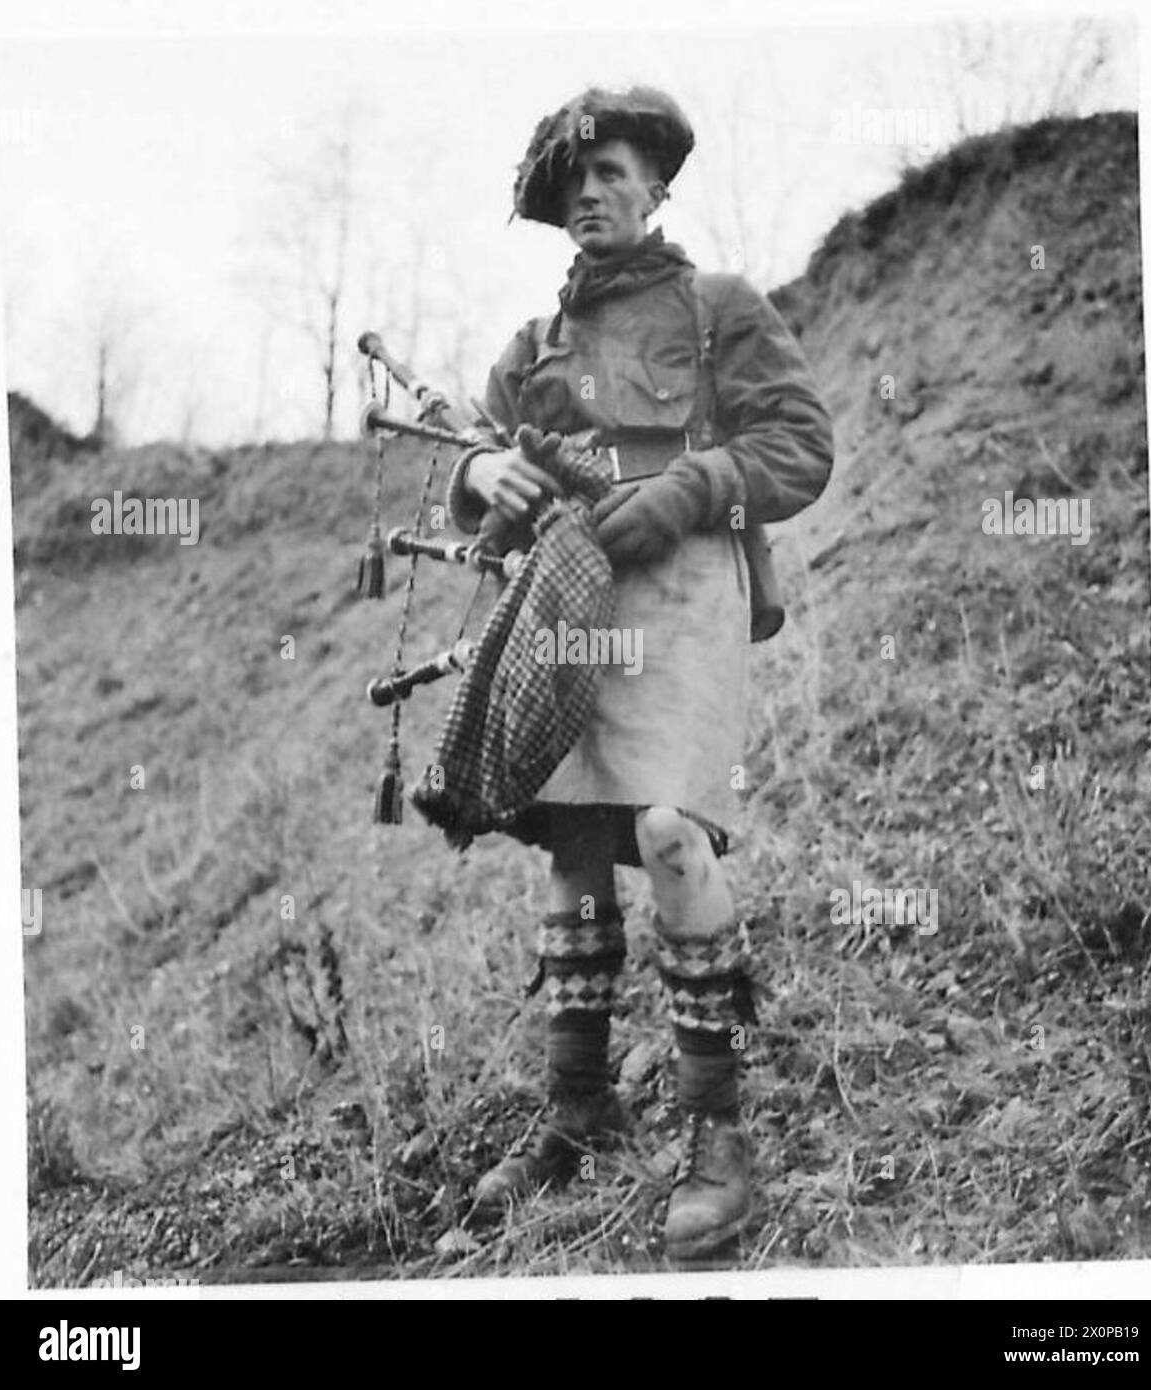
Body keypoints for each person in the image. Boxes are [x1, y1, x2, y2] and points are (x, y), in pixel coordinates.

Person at [443, 86, 834, 1259]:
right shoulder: (536, 348)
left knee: (670, 829)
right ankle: (578, 1106)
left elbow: (800, 445)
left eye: (611, 172)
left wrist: (687, 488)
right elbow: (465, 445)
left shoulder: (720, 310)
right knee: (570, 840)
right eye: (574, 183)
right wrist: (479, 474)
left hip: (690, 593)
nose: (589, 196)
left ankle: (718, 1133)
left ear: (658, 185)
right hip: (573, 597)